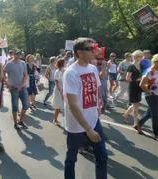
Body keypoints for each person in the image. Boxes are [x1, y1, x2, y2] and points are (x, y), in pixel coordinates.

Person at [63, 37, 107, 179]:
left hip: (94, 120)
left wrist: (99, 103)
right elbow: (72, 104)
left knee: (102, 157)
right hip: (77, 125)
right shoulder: (71, 73)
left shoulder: (93, 68)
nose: (95, 51)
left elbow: (97, 87)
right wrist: (88, 130)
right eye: (90, 49)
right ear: (79, 52)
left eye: (94, 47)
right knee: (71, 159)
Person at [135, 54, 158, 142]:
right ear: (155, 61)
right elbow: (141, 84)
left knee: (150, 113)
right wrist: (148, 92)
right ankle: (157, 134)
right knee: (156, 115)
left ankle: (138, 125)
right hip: (152, 96)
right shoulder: (149, 71)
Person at [4, 49, 29, 130]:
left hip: (22, 87)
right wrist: (7, 84)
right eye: (16, 54)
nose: (17, 55)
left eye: (19, 54)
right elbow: (2, 73)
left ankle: (21, 120)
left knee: (26, 105)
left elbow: (25, 75)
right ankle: (15, 123)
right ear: (13, 54)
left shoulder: (23, 63)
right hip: (13, 88)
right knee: (15, 106)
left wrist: (22, 85)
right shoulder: (9, 64)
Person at [122, 50, 144, 125]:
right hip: (133, 87)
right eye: (139, 56)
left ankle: (125, 115)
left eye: (141, 56)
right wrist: (137, 79)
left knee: (136, 104)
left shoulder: (140, 66)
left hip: (139, 87)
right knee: (136, 106)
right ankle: (135, 123)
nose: (141, 58)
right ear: (134, 57)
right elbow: (127, 78)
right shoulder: (131, 66)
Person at [52, 58, 65, 126]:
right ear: (62, 64)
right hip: (59, 90)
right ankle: (55, 119)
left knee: (64, 106)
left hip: (64, 90)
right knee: (58, 106)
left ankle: (65, 121)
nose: (65, 63)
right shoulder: (57, 71)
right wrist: (61, 91)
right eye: (64, 62)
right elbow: (56, 82)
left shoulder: (64, 70)